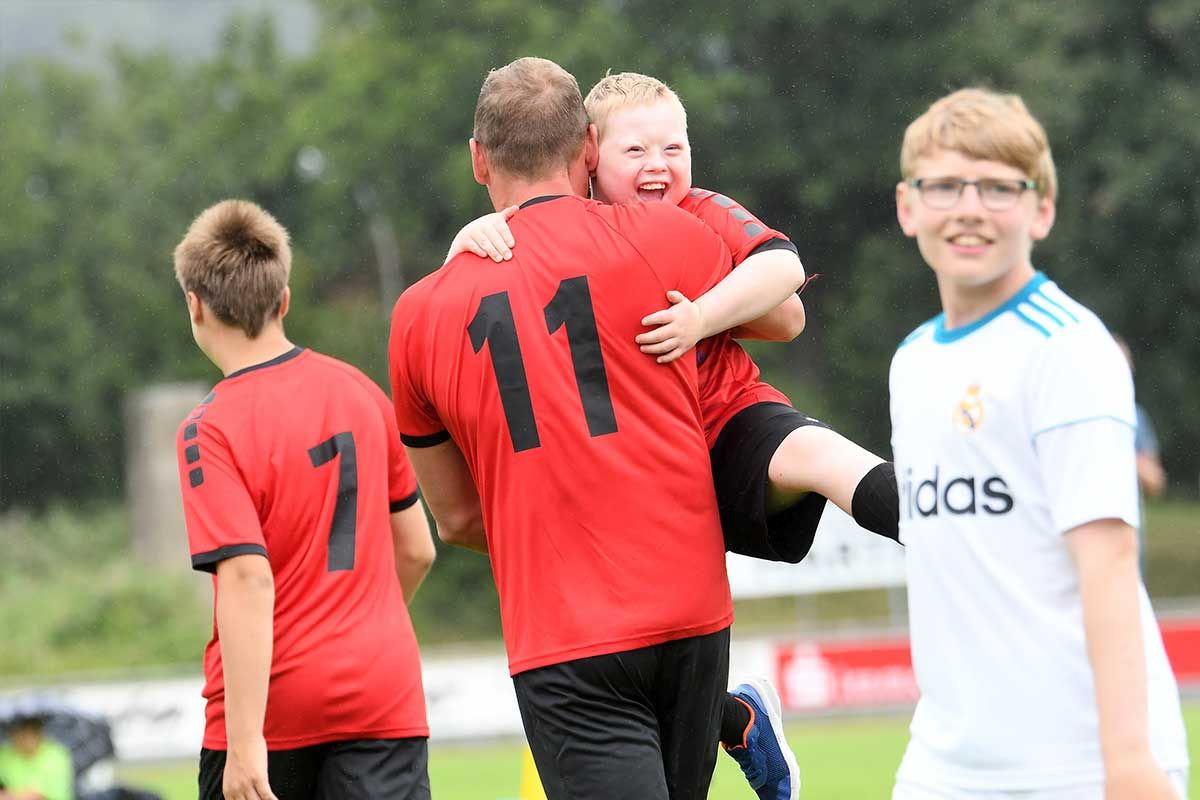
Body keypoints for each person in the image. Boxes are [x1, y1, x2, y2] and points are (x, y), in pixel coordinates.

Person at [446, 71, 903, 800]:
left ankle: (956, 529)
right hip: (634, 469)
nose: (658, 165)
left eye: (674, 148)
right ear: (588, 154)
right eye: (636, 150)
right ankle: (734, 718)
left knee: (822, 457)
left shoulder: (695, 213)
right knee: (637, 646)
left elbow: (787, 298)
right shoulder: (567, 228)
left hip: (724, 419)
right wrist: (467, 241)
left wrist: (701, 316)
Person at [389, 57, 804, 800]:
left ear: (478, 160)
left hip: (564, 631)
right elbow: (783, 313)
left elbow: (456, 519)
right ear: (587, 147)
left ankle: (736, 716)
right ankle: (733, 716)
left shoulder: (420, 314)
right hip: (690, 609)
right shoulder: (662, 233)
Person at [890, 87, 1188, 799]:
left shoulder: (1067, 348)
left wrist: (1128, 763)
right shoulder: (912, 360)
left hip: (1079, 763)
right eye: (944, 186)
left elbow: (1108, 560)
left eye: (998, 188)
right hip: (946, 764)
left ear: (1042, 210)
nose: (969, 208)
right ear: (908, 207)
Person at [173, 200, 436, 800]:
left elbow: (247, 578)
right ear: (284, 299)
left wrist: (244, 743)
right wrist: (355, 629)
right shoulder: (360, 392)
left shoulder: (209, 429)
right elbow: (417, 550)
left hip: (277, 712)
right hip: (383, 697)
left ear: (195, 304)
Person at [0, 714, 73, 800]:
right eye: (19, 733)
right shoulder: (5, 754)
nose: (25, 739)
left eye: (29, 733)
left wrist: (14, 796)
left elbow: (53, 794)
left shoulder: (57, 755)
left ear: (39, 733)